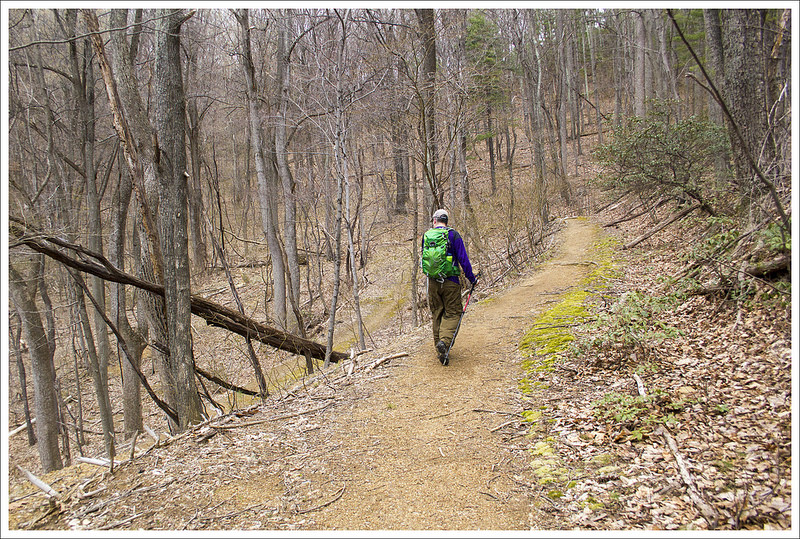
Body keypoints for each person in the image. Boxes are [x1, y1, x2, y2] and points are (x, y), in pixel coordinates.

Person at [422, 209, 477, 364]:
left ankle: (440, 350)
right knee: (453, 313)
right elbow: (463, 260)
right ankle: (444, 343)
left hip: (432, 282)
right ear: (446, 220)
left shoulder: (427, 236)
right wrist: (471, 279)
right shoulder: (453, 235)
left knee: (437, 313)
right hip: (451, 281)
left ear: (434, 221)